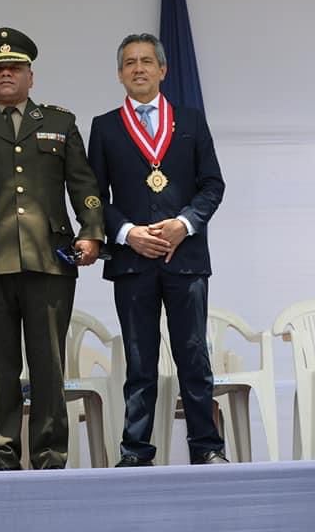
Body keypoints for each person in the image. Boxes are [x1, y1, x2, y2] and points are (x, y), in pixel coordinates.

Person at [0, 27, 104, 470]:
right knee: (0, 365)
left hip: (50, 259)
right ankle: (6, 451)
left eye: (14, 67)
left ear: (31, 75)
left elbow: (84, 185)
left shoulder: (60, 122)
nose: (6, 74)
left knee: (48, 363)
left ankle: (51, 453)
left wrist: (91, 230)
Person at [87, 33, 227, 467]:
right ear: (119, 74)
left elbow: (212, 185)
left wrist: (184, 224)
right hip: (133, 261)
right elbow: (94, 196)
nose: (139, 68)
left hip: (184, 259)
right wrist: (127, 232)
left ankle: (206, 446)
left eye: (147, 61)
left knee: (193, 356)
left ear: (163, 70)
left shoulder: (190, 119)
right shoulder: (105, 126)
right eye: (129, 62)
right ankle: (135, 451)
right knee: (139, 360)